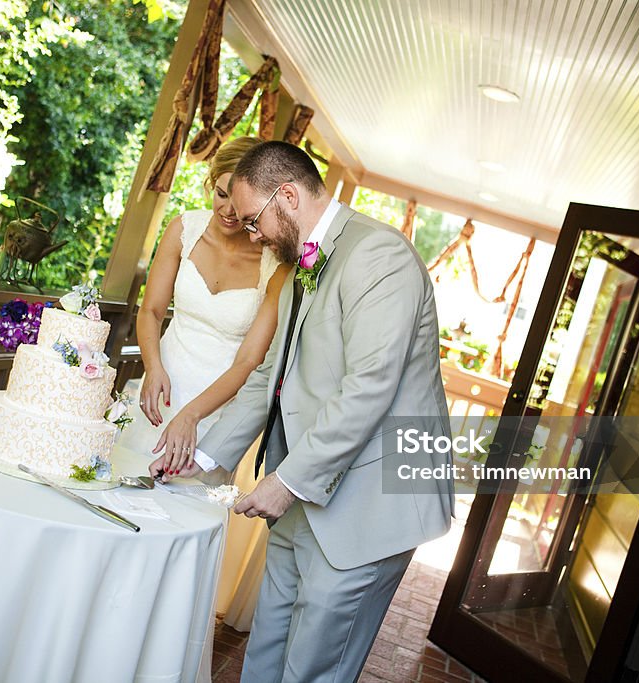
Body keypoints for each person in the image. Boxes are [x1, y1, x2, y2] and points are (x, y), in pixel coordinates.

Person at [150, 141, 454, 682]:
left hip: (367, 507)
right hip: (301, 499)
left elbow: (369, 389)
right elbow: (270, 376)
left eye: (253, 220)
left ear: (286, 197)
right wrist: (198, 456)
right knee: (266, 649)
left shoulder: (379, 258)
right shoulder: (300, 264)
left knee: (314, 669)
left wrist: (286, 482)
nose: (252, 235)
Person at [118, 136, 287, 469]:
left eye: (240, 203)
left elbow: (249, 362)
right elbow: (150, 310)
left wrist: (192, 414)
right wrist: (152, 368)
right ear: (211, 183)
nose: (228, 211)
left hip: (213, 411)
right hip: (158, 391)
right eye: (222, 194)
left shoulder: (275, 264)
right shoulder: (183, 229)